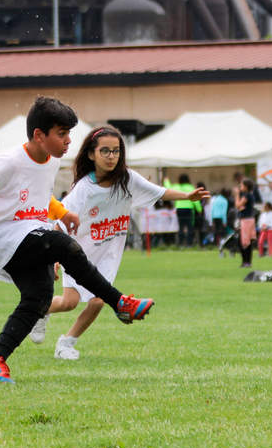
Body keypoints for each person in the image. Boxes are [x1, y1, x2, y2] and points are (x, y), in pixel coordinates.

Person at [0, 97, 155, 384]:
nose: (69, 140)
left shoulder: (50, 159)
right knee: (63, 244)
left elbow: (39, 194)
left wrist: (61, 211)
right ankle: (120, 302)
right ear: (39, 135)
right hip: (3, 237)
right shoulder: (8, 163)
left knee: (39, 298)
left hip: (29, 234)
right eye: (62, 133)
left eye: (69, 133)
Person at [45, 126, 206, 361]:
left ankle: (66, 343)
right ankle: (40, 311)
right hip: (80, 251)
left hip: (108, 252)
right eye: (105, 151)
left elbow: (158, 191)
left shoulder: (127, 179)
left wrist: (187, 196)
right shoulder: (84, 189)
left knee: (99, 300)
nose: (111, 156)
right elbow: (61, 221)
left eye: (116, 151)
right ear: (91, 154)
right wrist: (55, 257)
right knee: (69, 303)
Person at [235, 178, 260, 268]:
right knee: (245, 241)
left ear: (246, 186)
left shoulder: (247, 195)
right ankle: (246, 262)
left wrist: (237, 194)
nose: (240, 187)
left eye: (241, 185)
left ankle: (246, 262)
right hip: (248, 220)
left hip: (246, 220)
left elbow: (238, 205)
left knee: (244, 242)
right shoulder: (249, 195)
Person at [172, 173, 197, 248]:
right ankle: (189, 244)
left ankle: (180, 244)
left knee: (181, 227)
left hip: (179, 208)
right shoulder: (190, 187)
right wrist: (199, 209)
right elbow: (196, 198)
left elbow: (167, 187)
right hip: (188, 208)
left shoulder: (176, 186)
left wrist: (166, 180)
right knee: (190, 227)